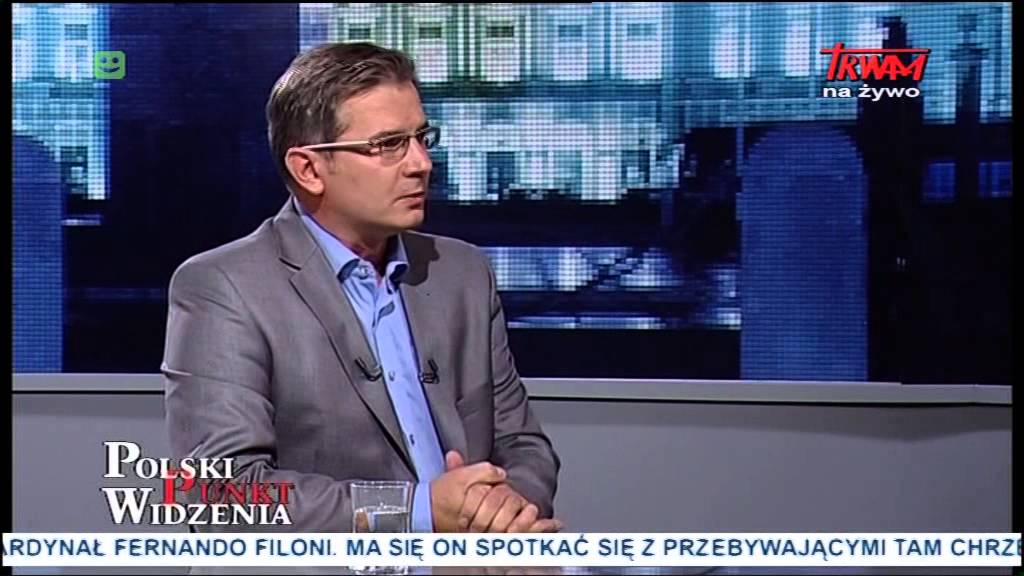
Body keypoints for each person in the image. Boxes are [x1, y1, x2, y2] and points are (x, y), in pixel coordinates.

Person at [162, 42, 561, 533]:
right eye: (389, 144)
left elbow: (524, 446)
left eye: (422, 137)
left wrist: (504, 514)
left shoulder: (462, 273)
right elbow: (223, 494)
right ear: (309, 169)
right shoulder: (224, 287)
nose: (421, 163)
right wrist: (419, 513)